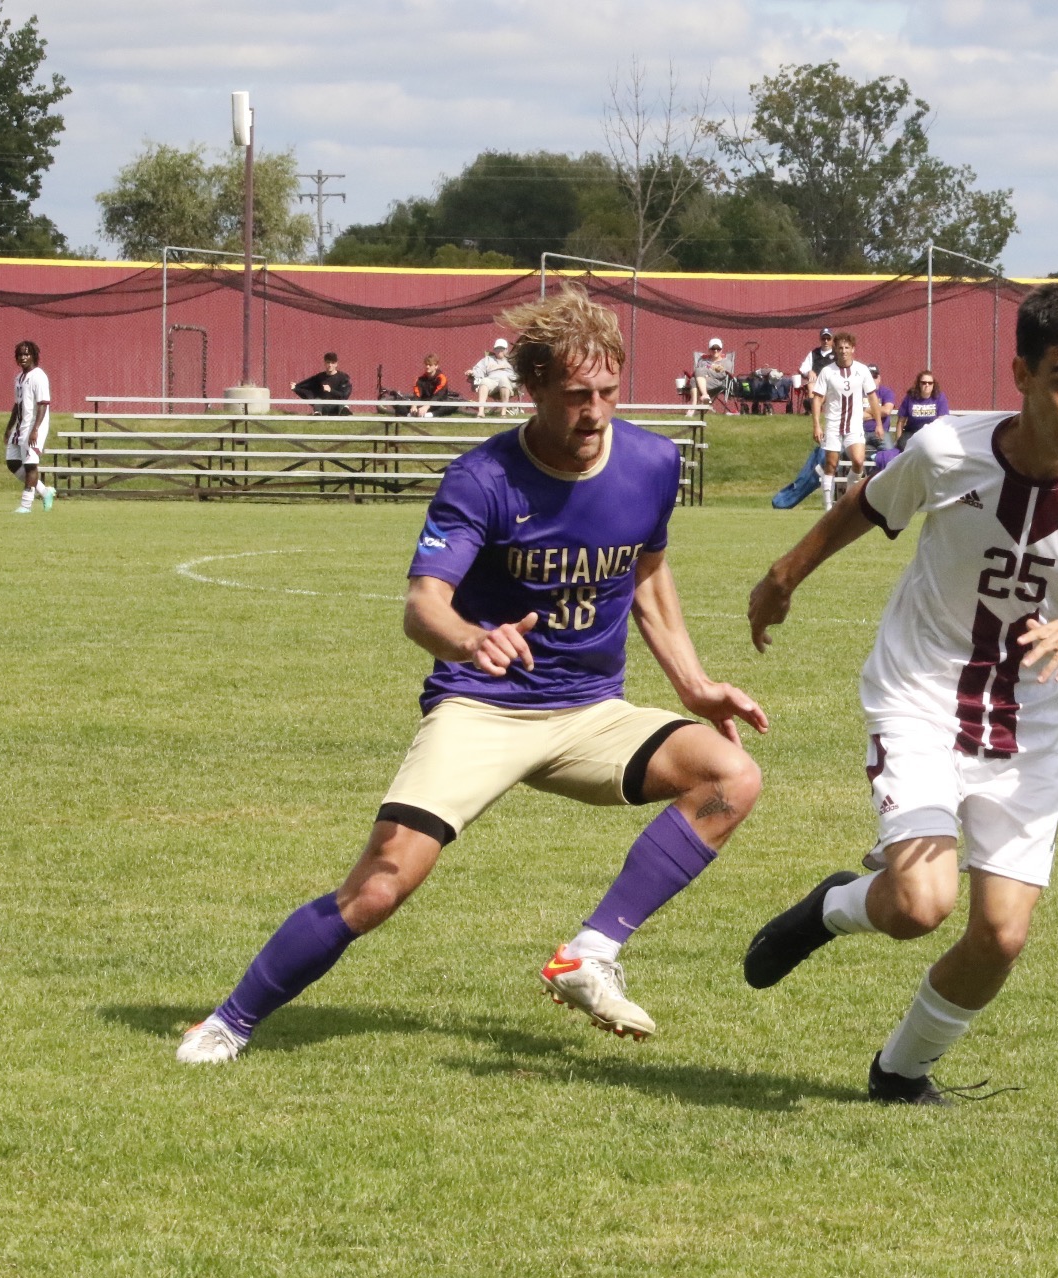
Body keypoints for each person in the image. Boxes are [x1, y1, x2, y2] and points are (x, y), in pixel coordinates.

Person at [175, 285, 768, 1065]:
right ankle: (228, 1022)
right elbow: (423, 606)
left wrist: (693, 683)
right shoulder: (482, 478)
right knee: (380, 884)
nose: (595, 413)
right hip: (483, 707)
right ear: (532, 391)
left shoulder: (653, 462)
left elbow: (647, 574)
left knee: (731, 777)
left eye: (607, 392)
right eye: (576, 396)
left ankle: (589, 954)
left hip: (592, 712)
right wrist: (469, 639)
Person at [741, 280, 1058, 1106]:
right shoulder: (947, 450)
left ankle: (900, 1072)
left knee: (1001, 936)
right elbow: (868, 504)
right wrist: (783, 576)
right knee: (920, 903)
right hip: (920, 694)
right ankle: (834, 907)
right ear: (1021, 373)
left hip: (1027, 729)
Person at [811, 331, 876, 511]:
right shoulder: (827, 371)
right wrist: (816, 425)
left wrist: (878, 422)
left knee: (858, 461)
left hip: (854, 425)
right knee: (831, 464)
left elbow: (872, 396)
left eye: (847, 347)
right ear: (835, 349)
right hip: (833, 423)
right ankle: (827, 506)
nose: (844, 351)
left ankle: (848, 495)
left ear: (853, 349)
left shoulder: (862, 370)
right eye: (840, 347)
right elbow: (817, 398)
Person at [3, 339, 55, 514]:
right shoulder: (19, 378)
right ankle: (45, 492)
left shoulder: (39, 376)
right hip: (20, 427)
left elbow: (43, 404)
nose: (23, 357)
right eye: (20, 355)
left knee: (30, 465)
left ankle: (26, 506)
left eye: (26, 354)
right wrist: (9, 428)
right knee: (12, 462)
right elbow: (17, 405)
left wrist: (36, 429)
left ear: (33, 356)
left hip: (34, 426)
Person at [468, 337, 518, 416]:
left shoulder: (512, 360)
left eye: (502, 349)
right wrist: (472, 372)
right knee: (484, 381)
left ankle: (503, 413)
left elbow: (520, 372)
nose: (499, 351)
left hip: (508, 381)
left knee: (504, 380)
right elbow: (479, 370)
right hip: (492, 381)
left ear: (506, 350)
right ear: (494, 350)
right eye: (497, 349)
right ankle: (481, 412)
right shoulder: (487, 359)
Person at [896, 370, 950, 441]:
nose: (927, 385)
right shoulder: (910, 397)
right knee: (902, 444)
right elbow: (901, 421)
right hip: (912, 432)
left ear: (933, 385)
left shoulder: (939, 397)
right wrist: (898, 440)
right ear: (919, 384)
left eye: (930, 383)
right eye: (924, 383)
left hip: (931, 433)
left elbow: (942, 420)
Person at [796, 329, 836, 414]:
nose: (826, 341)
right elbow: (803, 368)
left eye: (828, 339)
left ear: (832, 340)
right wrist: (809, 371)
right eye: (823, 339)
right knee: (811, 384)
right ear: (820, 339)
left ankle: (813, 406)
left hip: (832, 381)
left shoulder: (836, 353)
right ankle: (812, 407)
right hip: (817, 382)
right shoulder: (813, 353)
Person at [690, 337, 733, 410]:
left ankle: (703, 396)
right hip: (703, 382)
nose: (715, 351)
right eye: (713, 349)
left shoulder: (726, 362)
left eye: (718, 349)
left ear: (721, 350)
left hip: (718, 383)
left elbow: (723, 375)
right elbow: (697, 373)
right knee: (693, 379)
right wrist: (708, 372)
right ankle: (694, 406)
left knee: (698, 372)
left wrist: (707, 373)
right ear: (709, 350)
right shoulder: (702, 360)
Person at [862, 365, 896, 444]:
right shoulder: (857, 392)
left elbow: (886, 411)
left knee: (888, 449)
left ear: (879, 378)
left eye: (875, 377)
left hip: (881, 432)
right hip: (860, 432)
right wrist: (878, 413)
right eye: (870, 377)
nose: (872, 380)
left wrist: (865, 410)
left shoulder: (886, 392)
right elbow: (855, 414)